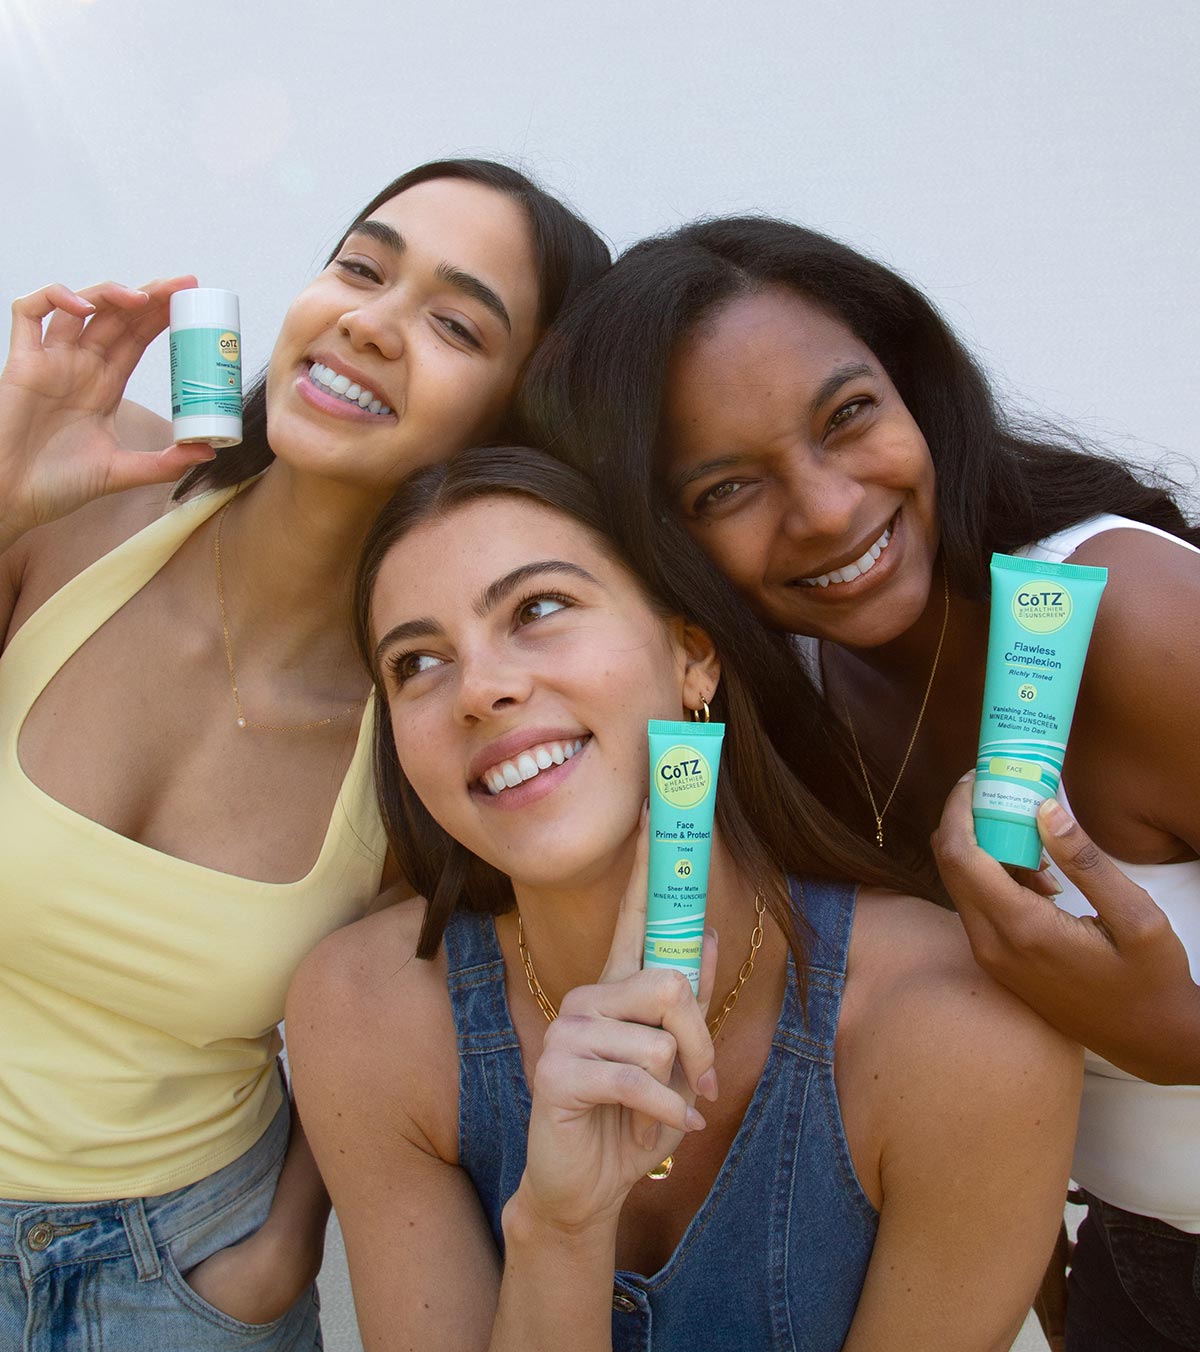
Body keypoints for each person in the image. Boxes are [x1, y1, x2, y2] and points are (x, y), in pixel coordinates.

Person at [516, 216, 1200, 1350]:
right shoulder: (800, 708)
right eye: (727, 488)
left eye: (849, 417)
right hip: (1137, 1266)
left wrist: (1178, 1035)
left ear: (915, 388)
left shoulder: (1131, 620)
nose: (829, 507)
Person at [0, 160, 608, 1347]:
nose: (373, 323)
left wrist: (281, 1250)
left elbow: (395, 1007)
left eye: (452, 322)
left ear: (512, 413)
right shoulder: (86, 481)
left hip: (179, 1275)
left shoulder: (445, 721)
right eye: (361, 267)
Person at [286, 444, 1080, 1352]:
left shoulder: (963, 1033)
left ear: (692, 656)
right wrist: (560, 1228)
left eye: (539, 608)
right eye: (417, 663)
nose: (481, 688)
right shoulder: (366, 1015)